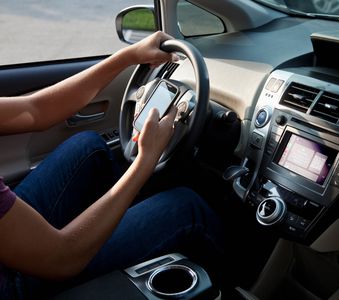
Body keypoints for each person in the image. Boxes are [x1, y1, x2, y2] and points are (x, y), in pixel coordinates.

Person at [0, 31, 222, 299]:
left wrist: (127, 57)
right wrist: (145, 160)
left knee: (88, 149)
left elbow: (36, 110)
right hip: (14, 282)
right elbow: (62, 256)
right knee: (187, 208)